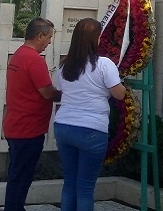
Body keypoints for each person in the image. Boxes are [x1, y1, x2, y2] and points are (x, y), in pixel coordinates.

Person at [54, 18, 126, 211]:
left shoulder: (63, 66)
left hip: (63, 126)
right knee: (85, 187)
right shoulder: (104, 64)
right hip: (91, 129)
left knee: (70, 182)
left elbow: (62, 90)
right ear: (96, 38)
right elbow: (119, 94)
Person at [3, 17, 62, 211]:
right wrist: (72, 93)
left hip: (16, 125)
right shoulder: (34, 59)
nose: (50, 42)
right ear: (40, 35)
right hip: (28, 129)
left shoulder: (18, 55)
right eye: (49, 37)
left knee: (17, 175)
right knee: (21, 177)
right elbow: (47, 92)